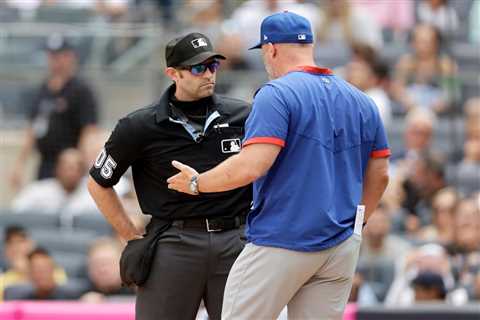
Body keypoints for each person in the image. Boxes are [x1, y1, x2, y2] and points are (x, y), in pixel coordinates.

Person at [167, 12, 390, 319]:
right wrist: (356, 225)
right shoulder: (361, 100)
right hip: (339, 244)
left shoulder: (276, 94)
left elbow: (252, 166)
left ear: (270, 49)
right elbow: (381, 175)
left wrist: (197, 183)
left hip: (282, 239)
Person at [87, 32, 251, 320]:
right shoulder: (139, 125)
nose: (208, 74)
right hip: (174, 242)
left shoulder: (244, 115)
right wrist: (131, 236)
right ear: (172, 73)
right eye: (198, 68)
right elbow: (98, 183)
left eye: (213, 66)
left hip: (235, 240)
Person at [10, 33, 98, 189]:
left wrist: (84, 164)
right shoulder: (42, 90)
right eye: (52, 56)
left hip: (70, 167)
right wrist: (19, 164)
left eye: (60, 56)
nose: (56, 61)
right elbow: (32, 129)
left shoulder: (81, 90)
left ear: (70, 57)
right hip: (45, 164)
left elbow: (89, 130)